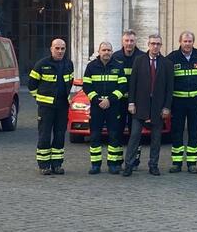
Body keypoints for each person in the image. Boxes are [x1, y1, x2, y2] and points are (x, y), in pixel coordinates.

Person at [124, 34, 174, 177]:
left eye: (158, 44)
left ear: (161, 46)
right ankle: (128, 165)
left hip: (158, 107)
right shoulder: (139, 61)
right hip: (140, 105)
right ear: (148, 44)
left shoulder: (167, 63)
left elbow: (170, 88)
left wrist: (167, 107)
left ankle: (153, 165)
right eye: (153, 43)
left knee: (156, 138)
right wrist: (131, 102)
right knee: (134, 136)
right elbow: (132, 83)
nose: (155, 46)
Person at [28, 38, 74, 175]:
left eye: (63, 49)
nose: (60, 51)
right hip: (46, 107)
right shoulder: (42, 64)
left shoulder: (68, 64)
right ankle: (44, 165)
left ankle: (57, 164)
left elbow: (70, 82)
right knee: (45, 135)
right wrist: (40, 99)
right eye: (57, 48)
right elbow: (31, 85)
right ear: (51, 49)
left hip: (62, 106)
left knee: (60, 135)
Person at [82, 42, 127, 175]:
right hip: (97, 107)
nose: (106, 52)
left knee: (114, 136)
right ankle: (95, 165)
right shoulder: (91, 67)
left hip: (113, 107)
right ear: (99, 51)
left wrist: (110, 100)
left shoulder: (118, 66)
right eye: (104, 50)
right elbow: (87, 86)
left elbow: (123, 87)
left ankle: (113, 165)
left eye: (109, 50)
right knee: (95, 136)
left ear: (112, 51)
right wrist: (97, 100)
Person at [167, 31, 197, 173]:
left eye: (190, 41)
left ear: (193, 42)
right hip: (178, 102)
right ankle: (176, 163)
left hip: (195, 102)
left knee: (194, 132)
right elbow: (167, 81)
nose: (187, 44)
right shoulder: (172, 58)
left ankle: (192, 163)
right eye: (185, 41)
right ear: (180, 41)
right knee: (177, 132)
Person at [112, 30, 145, 168]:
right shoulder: (115, 56)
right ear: (122, 41)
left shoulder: (143, 57)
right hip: (119, 101)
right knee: (117, 131)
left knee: (136, 133)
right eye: (126, 40)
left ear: (135, 41)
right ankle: (117, 161)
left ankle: (134, 162)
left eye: (132, 41)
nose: (129, 43)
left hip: (136, 102)